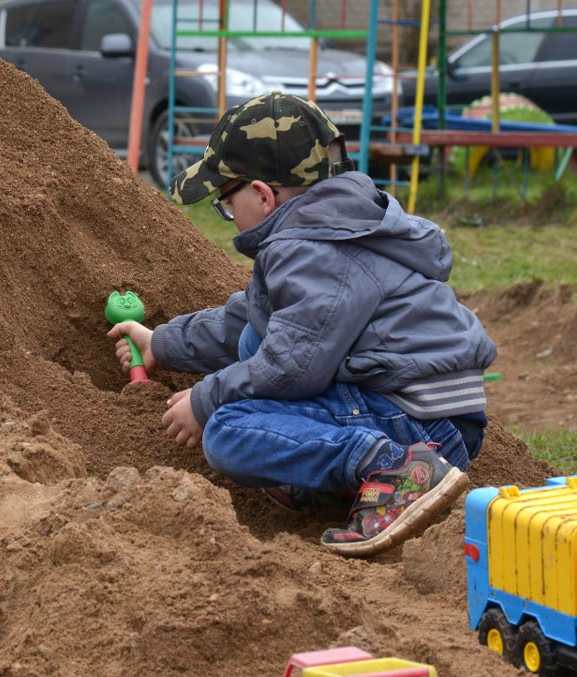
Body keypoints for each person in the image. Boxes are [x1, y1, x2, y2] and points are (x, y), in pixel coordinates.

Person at [107, 91, 497, 557]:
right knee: (255, 339)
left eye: (226, 203)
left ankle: (391, 469)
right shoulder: (335, 224)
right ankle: (331, 479)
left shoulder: (308, 249)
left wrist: (206, 399)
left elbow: (292, 366)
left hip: (418, 419)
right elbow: (247, 324)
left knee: (227, 430)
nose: (229, 218)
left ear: (262, 195)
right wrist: (162, 343)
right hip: (428, 408)